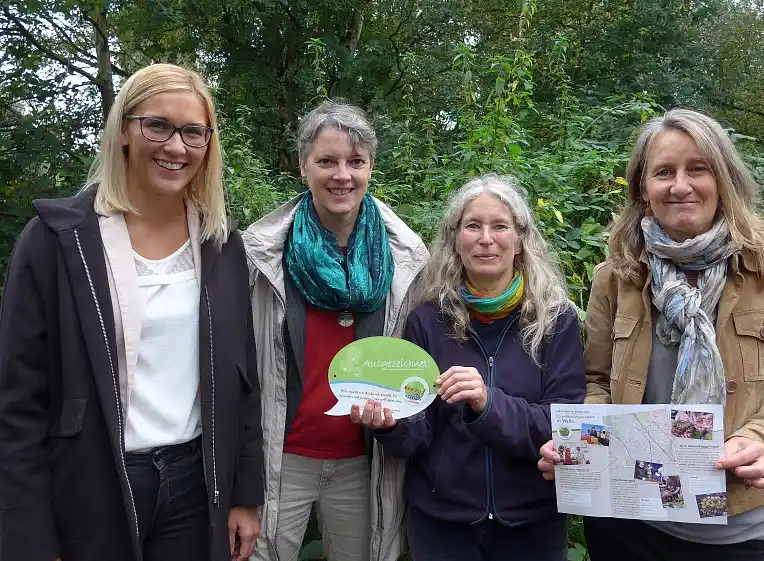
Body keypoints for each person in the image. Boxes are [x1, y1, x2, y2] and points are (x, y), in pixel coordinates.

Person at [538, 109, 764, 560]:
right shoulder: (617, 278)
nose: (680, 185)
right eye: (664, 172)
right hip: (626, 519)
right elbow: (596, 383)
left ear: (724, 179)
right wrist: (578, 439)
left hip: (735, 527)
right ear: (643, 188)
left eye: (698, 168)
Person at [0, 63, 264, 561]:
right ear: (124, 130)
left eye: (193, 132)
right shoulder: (57, 241)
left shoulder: (220, 243)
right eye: (157, 125)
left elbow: (242, 378)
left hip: (195, 485)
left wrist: (245, 495)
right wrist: (29, 533)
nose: (176, 147)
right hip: (90, 486)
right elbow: (17, 403)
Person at [352, 174, 586, 561]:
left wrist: (487, 403)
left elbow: (563, 423)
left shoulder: (555, 320)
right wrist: (389, 425)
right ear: (455, 240)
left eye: (500, 226)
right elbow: (417, 434)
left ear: (520, 240)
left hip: (533, 523)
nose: (486, 238)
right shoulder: (428, 320)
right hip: (443, 524)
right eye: (473, 226)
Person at [243, 100, 429, 561]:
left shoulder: (406, 258)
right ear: (303, 165)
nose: (342, 175)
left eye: (355, 162)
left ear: (370, 168)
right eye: (326, 161)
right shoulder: (262, 253)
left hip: (364, 462)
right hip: (280, 457)